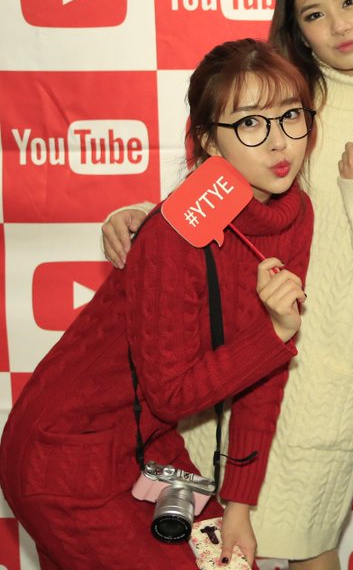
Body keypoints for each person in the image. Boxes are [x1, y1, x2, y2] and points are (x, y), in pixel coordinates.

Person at [99, 0, 353, 569]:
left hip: (326, 383)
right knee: (216, 552)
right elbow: (213, 198)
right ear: (298, 30)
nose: (339, 25)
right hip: (234, 368)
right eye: (315, 14)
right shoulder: (282, 99)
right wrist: (142, 217)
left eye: (350, 1)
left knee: (311, 551)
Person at [0, 39, 315, 567]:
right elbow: (172, 395)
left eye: (290, 115)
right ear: (209, 141)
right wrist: (276, 334)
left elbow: (263, 378)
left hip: (147, 445)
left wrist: (239, 506)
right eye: (250, 123)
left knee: (224, 560)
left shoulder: (294, 215)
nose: (279, 141)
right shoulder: (174, 233)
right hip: (63, 453)